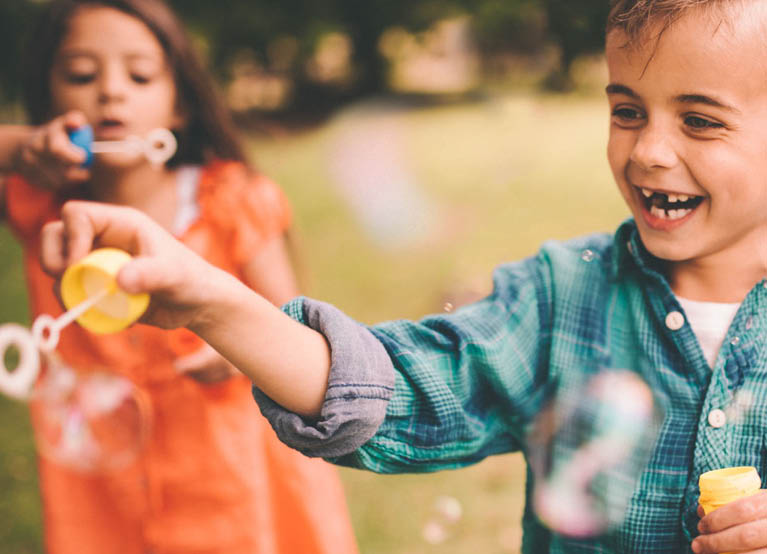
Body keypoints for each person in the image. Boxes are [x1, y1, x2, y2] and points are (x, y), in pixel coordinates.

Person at [31, 0, 767, 552]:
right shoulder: (561, 298)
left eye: (699, 120)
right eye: (627, 111)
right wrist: (212, 299)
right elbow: (389, 388)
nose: (646, 153)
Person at [0, 1, 358, 553]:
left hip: (235, 480)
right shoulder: (41, 209)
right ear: (48, 99)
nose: (111, 92)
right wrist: (21, 147)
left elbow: (298, 334)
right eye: (80, 74)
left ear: (181, 106)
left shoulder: (231, 201)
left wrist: (244, 348)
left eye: (139, 74)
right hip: (102, 494)